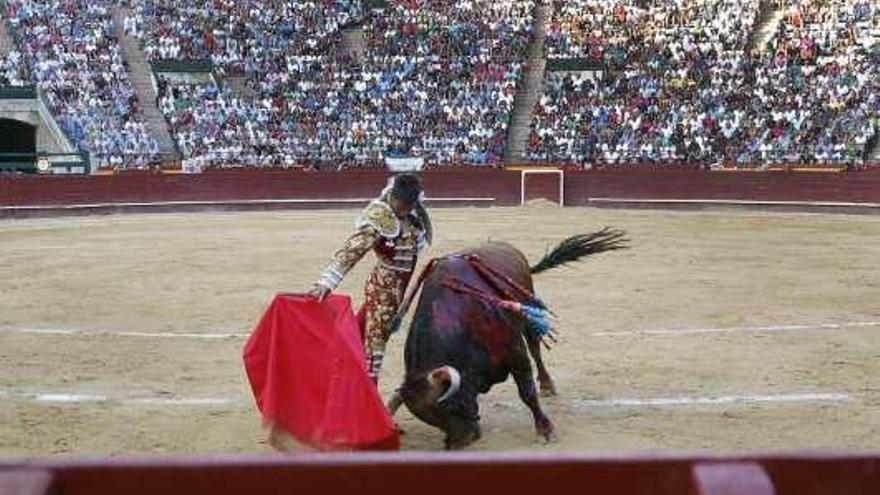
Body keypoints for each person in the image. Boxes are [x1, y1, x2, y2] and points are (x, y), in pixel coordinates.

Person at [310, 173, 432, 383]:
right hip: (383, 291)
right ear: (393, 197)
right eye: (402, 205)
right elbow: (353, 250)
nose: (405, 210)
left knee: (358, 336)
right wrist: (327, 282)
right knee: (375, 348)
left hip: (395, 293)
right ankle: (366, 398)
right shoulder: (379, 216)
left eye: (409, 205)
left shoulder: (413, 213)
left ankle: (334, 374)